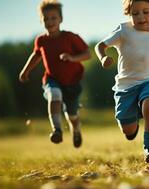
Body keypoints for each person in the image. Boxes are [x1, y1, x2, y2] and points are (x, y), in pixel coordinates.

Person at [94, 0, 149, 163]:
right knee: (128, 129)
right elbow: (100, 46)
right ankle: (134, 119)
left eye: (146, 12)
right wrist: (103, 57)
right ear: (129, 14)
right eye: (135, 13)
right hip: (126, 85)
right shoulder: (124, 31)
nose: (141, 17)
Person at [19, 0, 91, 148]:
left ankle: (76, 129)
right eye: (46, 18)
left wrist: (72, 58)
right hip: (52, 79)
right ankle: (56, 129)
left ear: (60, 19)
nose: (50, 21)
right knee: (54, 95)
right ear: (41, 20)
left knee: (72, 115)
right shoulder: (41, 40)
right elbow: (36, 55)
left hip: (72, 82)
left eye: (53, 18)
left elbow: (87, 54)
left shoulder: (70, 37)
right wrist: (25, 71)